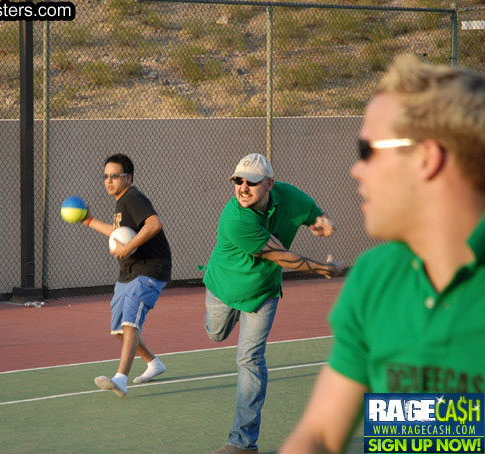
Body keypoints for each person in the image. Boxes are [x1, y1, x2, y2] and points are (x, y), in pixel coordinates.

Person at [280, 54, 485, 453]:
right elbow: (320, 433)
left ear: (427, 157)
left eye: (367, 150)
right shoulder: (375, 278)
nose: (356, 170)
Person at [201, 152, 342, 454]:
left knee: (249, 360)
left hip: (263, 293)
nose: (242, 188)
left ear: (269, 184)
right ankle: (225, 318)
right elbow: (284, 258)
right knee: (215, 333)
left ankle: (242, 443)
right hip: (224, 287)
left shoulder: (288, 195)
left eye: (250, 182)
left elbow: (314, 213)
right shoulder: (234, 219)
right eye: (237, 181)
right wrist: (323, 268)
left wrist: (323, 222)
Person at [81, 153, 172, 397]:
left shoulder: (133, 198)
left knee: (131, 321)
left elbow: (154, 225)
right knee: (119, 329)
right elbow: (119, 232)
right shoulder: (121, 203)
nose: (108, 181)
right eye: (105, 176)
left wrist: (127, 248)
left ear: (128, 177)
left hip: (150, 268)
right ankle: (154, 363)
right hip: (130, 270)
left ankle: (121, 378)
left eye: (115, 176)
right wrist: (89, 220)